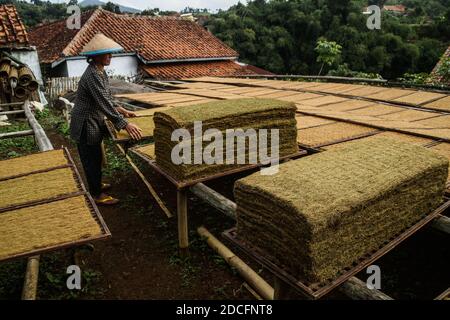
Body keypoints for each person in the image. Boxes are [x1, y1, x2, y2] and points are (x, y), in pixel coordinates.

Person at [70, 33, 142, 205]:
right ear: (95, 56)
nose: (110, 56)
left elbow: (106, 97)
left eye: (111, 53)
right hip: (85, 123)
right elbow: (102, 101)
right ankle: (96, 194)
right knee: (91, 159)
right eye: (106, 54)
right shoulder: (92, 75)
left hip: (93, 119)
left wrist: (120, 108)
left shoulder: (100, 72)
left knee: (95, 155)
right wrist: (125, 125)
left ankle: (97, 184)